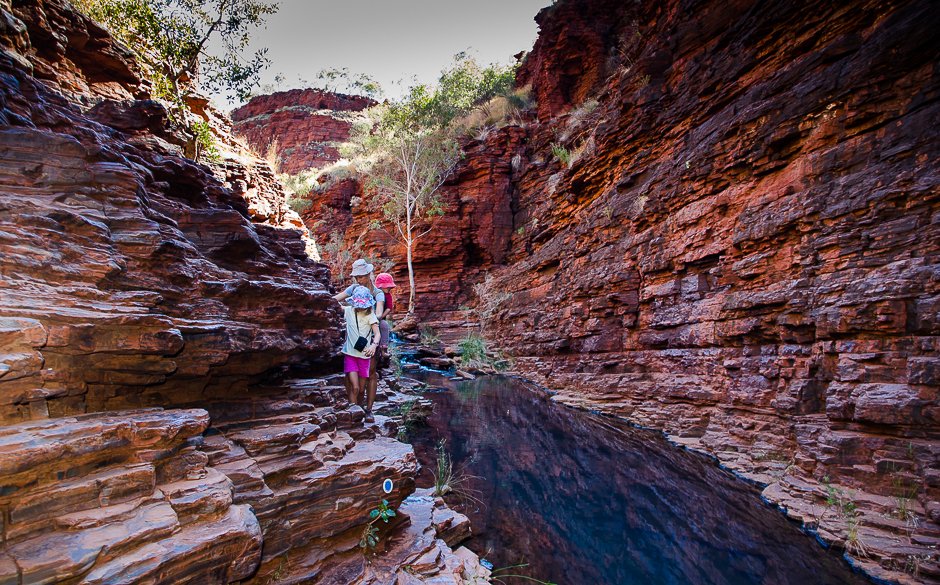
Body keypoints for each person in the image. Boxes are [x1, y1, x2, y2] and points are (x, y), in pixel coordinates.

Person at [333, 259, 386, 415]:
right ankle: (352, 403)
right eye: (356, 277)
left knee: (371, 372)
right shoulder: (354, 288)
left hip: (372, 327)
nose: (358, 280)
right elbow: (336, 299)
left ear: (368, 274)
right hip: (355, 328)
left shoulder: (378, 292)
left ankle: (368, 408)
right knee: (350, 370)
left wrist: (369, 315)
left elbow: (379, 310)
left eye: (361, 277)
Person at [336, 285, 380, 421]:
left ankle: (359, 411)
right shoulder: (349, 310)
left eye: (362, 305)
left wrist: (374, 346)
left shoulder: (370, 315)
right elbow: (334, 303)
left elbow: (377, 334)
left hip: (364, 357)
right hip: (350, 355)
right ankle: (352, 414)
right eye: (358, 305)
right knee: (354, 387)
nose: (360, 307)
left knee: (361, 389)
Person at [374, 272, 396, 355]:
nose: (390, 288)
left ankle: (384, 348)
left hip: (380, 318)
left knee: (385, 326)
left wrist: (381, 317)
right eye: (388, 286)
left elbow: (389, 308)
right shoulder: (373, 293)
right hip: (369, 317)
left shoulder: (388, 295)